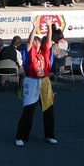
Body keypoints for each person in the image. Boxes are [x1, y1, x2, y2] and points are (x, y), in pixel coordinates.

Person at [15, 16, 57, 146]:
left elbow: (49, 42)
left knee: (48, 110)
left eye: (37, 41)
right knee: (29, 111)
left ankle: (49, 135)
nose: (35, 42)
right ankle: (20, 137)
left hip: (44, 82)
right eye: (35, 41)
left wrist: (49, 26)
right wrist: (34, 28)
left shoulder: (44, 53)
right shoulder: (30, 53)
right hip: (32, 81)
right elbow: (28, 43)